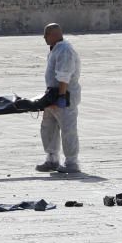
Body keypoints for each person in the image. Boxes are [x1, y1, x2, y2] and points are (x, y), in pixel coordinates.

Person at [36, 23, 82, 174]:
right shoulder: (55, 50)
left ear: (55, 34)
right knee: (48, 126)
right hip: (52, 95)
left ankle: (72, 162)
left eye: (46, 34)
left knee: (68, 129)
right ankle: (52, 158)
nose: (44, 38)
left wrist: (61, 97)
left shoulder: (65, 50)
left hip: (64, 96)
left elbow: (64, 76)